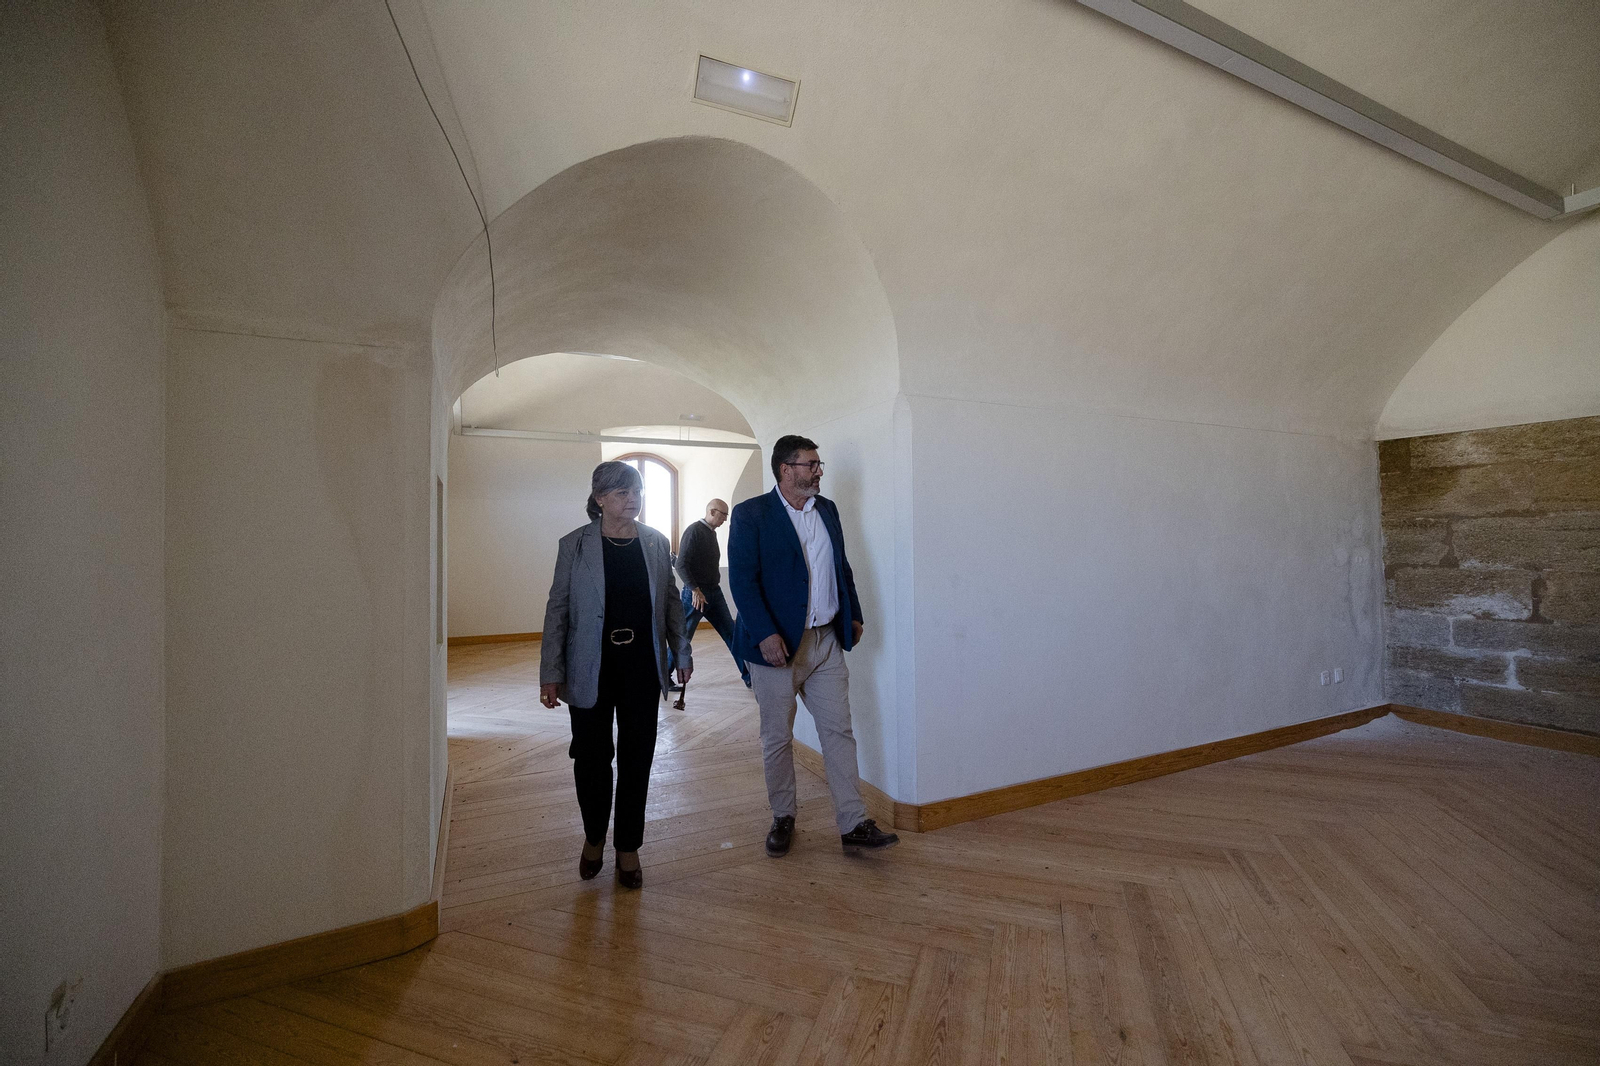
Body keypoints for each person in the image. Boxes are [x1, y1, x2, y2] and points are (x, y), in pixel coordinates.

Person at [729, 435, 899, 857]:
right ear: (786, 470)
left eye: (819, 464)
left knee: (839, 731)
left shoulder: (828, 510)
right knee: (777, 738)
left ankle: (854, 822)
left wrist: (853, 614)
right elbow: (742, 581)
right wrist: (766, 634)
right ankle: (783, 816)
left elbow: (841, 566)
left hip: (825, 641)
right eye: (812, 464)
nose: (819, 471)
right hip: (776, 648)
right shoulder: (752, 514)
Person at [539, 461, 691, 889]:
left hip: (642, 665)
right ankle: (593, 838)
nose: (633, 499)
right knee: (590, 759)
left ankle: (629, 846)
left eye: (637, 491)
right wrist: (550, 673)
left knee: (638, 757)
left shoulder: (657, 543)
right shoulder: (575, 545)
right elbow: (558, 612)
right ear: (600, 498)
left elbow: (671, 605)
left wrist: (682, 649)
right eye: (623, 492)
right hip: (591, 667)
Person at [672, 498, 751, 690]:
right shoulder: (694, 531)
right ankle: (664, 676)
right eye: (723, 515)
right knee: (684, 637)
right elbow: (681, 564)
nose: (725, 519)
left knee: (731, 634)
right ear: (712, 512)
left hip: (713, 592)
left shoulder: (710, 533)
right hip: (696, 595)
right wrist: (695, 590)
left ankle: (749, 677)